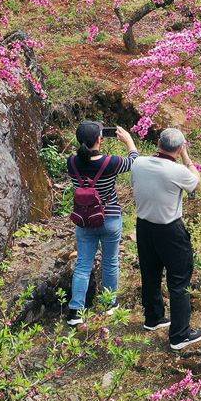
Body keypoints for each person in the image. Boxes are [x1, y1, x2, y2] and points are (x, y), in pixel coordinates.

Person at [130, 128, 201, 350]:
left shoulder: (139, 164)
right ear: (180, 148)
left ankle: (153, 318)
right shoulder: (177, 171)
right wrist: (187, 157)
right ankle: (180, 336)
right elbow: (195, 181)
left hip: (144, 227)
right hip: (170, 230)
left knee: (150, 273)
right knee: (179, 281)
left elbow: (134, 159)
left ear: (158, 143)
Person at [65, 121, 138, 326]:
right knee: (110, 262)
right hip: (110, 218)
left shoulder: (71, 162)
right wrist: (130, 142)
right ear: (99, 139)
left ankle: (75, 311)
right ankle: (109, 304)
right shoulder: (111, 162)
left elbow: (83, 160)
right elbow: (134, 161)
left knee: (83, 264)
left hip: (84, 220)